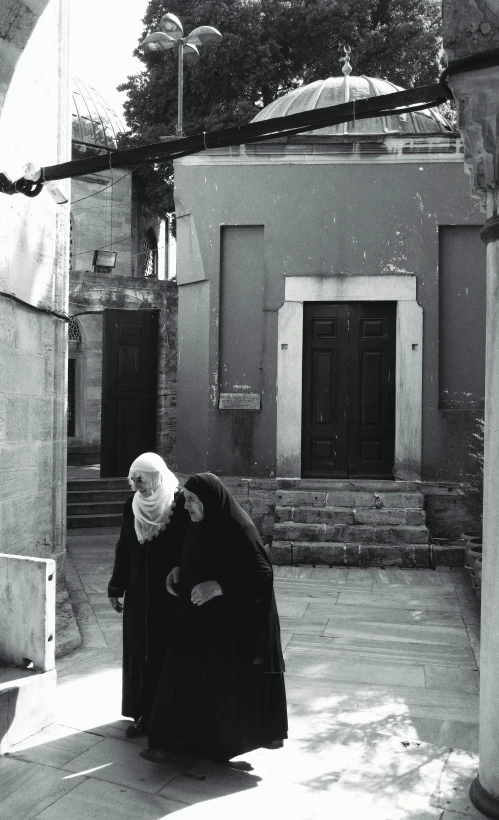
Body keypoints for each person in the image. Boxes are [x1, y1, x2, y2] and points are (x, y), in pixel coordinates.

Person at [140, 472, 288, 763]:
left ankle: (192, 746)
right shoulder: (198, 523)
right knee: (178, 678)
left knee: (209, 687)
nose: (187, 505)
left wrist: (219, 587)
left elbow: (261, 574)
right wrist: (178, 570)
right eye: (187, 499)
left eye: (193, 500)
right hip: (194, 619)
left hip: (224, 625)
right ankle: (167, 743)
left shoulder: (240, 529)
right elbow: (195, 556)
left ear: (209, 500)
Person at [108, 452, 187, 739]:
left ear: (156, 477)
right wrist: (116, 587)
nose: (137, 484)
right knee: (140, 653)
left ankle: (167, 713)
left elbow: (187, 547)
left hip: (169, 594)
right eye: (134, 479)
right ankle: (141, 712)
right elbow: (124, 547)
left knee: (164, 651)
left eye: (142, 478)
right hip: (139, 596)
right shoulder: (131, 505)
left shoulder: (177, 504)